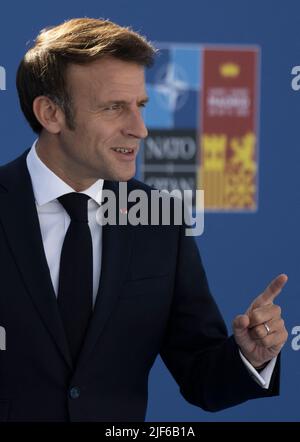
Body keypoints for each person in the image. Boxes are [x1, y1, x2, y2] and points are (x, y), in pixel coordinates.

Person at [0, 17, 287, 422]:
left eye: (141, 106)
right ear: (51, 114)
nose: (140, 129)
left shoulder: (162, 221)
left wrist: (249, 357)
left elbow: (201, 375)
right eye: (115, 107)